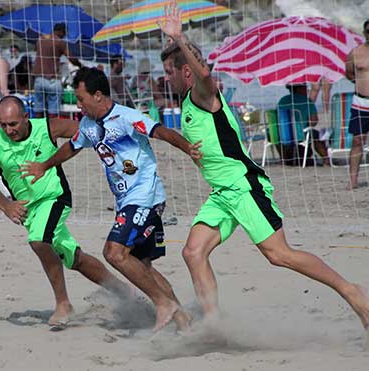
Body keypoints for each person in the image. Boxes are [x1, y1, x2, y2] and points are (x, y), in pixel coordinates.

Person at [158, 1, 369, 334]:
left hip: (244, 187)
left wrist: (180, 39)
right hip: (222, 194)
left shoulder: (203, 93)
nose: (164, 78)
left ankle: (351, 291)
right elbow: (190, 74)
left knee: (279, 254)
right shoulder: (186, 101)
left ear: (185, 71)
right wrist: (169, 43)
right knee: (192, 251)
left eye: (169, 71)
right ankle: (213, 325)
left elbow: (204, 74)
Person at [20, 67, 202, 332]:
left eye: (80, 99)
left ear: (97, 95)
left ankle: (164, 304)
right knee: (141, 266)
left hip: (145, 197)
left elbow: (160, 131)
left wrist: (188, 148)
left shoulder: (126, 117)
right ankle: (183, 321)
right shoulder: (88, 125)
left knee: (113, 253)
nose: (78, 105)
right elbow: (71, 147)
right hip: (127, 201)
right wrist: (44, 165)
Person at [0, 95, 134, 327]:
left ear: (25, 117)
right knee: (76, 259)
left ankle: (63, 304)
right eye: (3, 125)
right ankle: (122, 291)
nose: (8, 130)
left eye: (13, 124)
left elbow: (84, 130)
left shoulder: (47, 127)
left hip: (55, 198)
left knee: (39, 241)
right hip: (29, 212)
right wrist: (6, 205)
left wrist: (113, 147)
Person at [32, 23, 82, 119]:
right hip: (52, 80)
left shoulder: (40, 39)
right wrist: (80, 65)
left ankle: (37, 129)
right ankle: (52, 130)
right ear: (60, 31)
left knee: (39, 109)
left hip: (38, 79)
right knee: (53, 111)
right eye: (64, 33)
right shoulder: (59, 42)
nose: (64, 36)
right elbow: (71, 58)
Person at [277, 84, 330, 166]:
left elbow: (278, 118)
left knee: (276, 134)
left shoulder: (282, 100)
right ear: (299, 89)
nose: (307, 89)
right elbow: (314, 122)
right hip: (301, 134)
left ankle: (283, 158)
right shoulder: (307, 101)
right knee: (317, 135)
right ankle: (326, 159)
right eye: (305, 87)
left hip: (284, 134)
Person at [345, 19, 369, 189]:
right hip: (361, 101)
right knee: (357, 141)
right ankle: (353, 180)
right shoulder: (355, 52)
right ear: (364, 32)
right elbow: (349, 73)